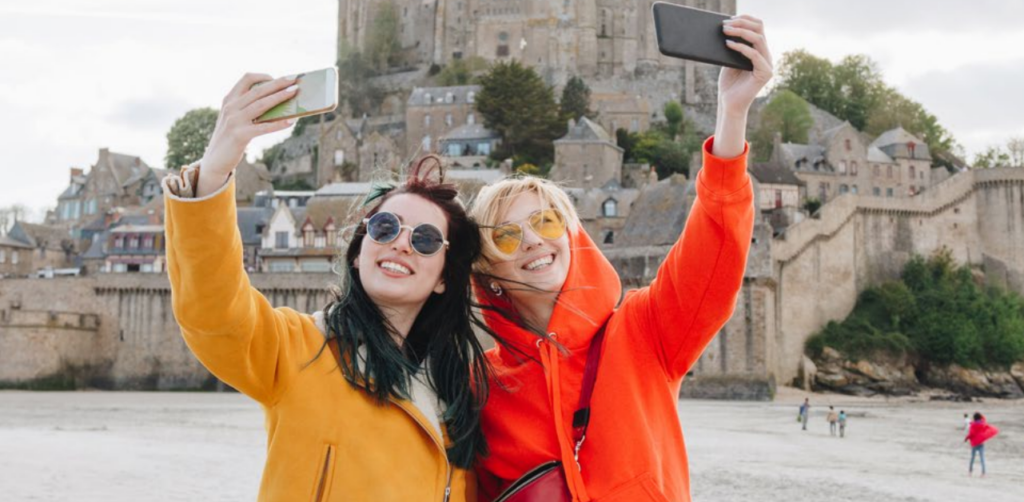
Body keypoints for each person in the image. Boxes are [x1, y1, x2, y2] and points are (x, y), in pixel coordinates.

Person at [467, 15, 771, 502]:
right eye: (506, 236)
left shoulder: (642, 331)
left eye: (546, 222)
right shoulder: (478, 383)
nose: (532, 241)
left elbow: (713, 251)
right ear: (487, 271)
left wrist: (731, 114)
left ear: (572, 234)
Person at [162, 73, 492, 501]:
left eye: (425, 239)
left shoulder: (458, 396)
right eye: (386, 226)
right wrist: (214, 172)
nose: (401, 244)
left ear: (446, 276)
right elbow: (214, 312)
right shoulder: (299, 350)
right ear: (359, 252)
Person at [965, 412, 1000, 477]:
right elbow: (985, 423)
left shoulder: (973, 425)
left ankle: (970, 472)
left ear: (974, 418)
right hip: (981, 443)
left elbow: (971, 434)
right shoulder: (983, 424)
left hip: (974, 444)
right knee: (982, 459)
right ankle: (983, 473)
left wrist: (966, 438)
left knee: (972, 458)